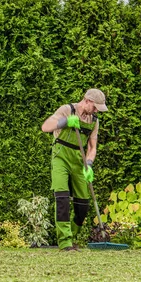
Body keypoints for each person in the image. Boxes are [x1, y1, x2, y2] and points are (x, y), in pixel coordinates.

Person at [41, 88, 108, 251]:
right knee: (62, 198)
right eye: (95, 107)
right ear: (87, 101)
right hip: (60, 157)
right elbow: (45, 126)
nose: (96, 110)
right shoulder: (67, 110)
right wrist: (65, 122)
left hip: (80, 160)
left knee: (82, 205)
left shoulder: (94, 120)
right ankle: (65, 242)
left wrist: (90, 164)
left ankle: (71, 235)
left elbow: (92, 147)